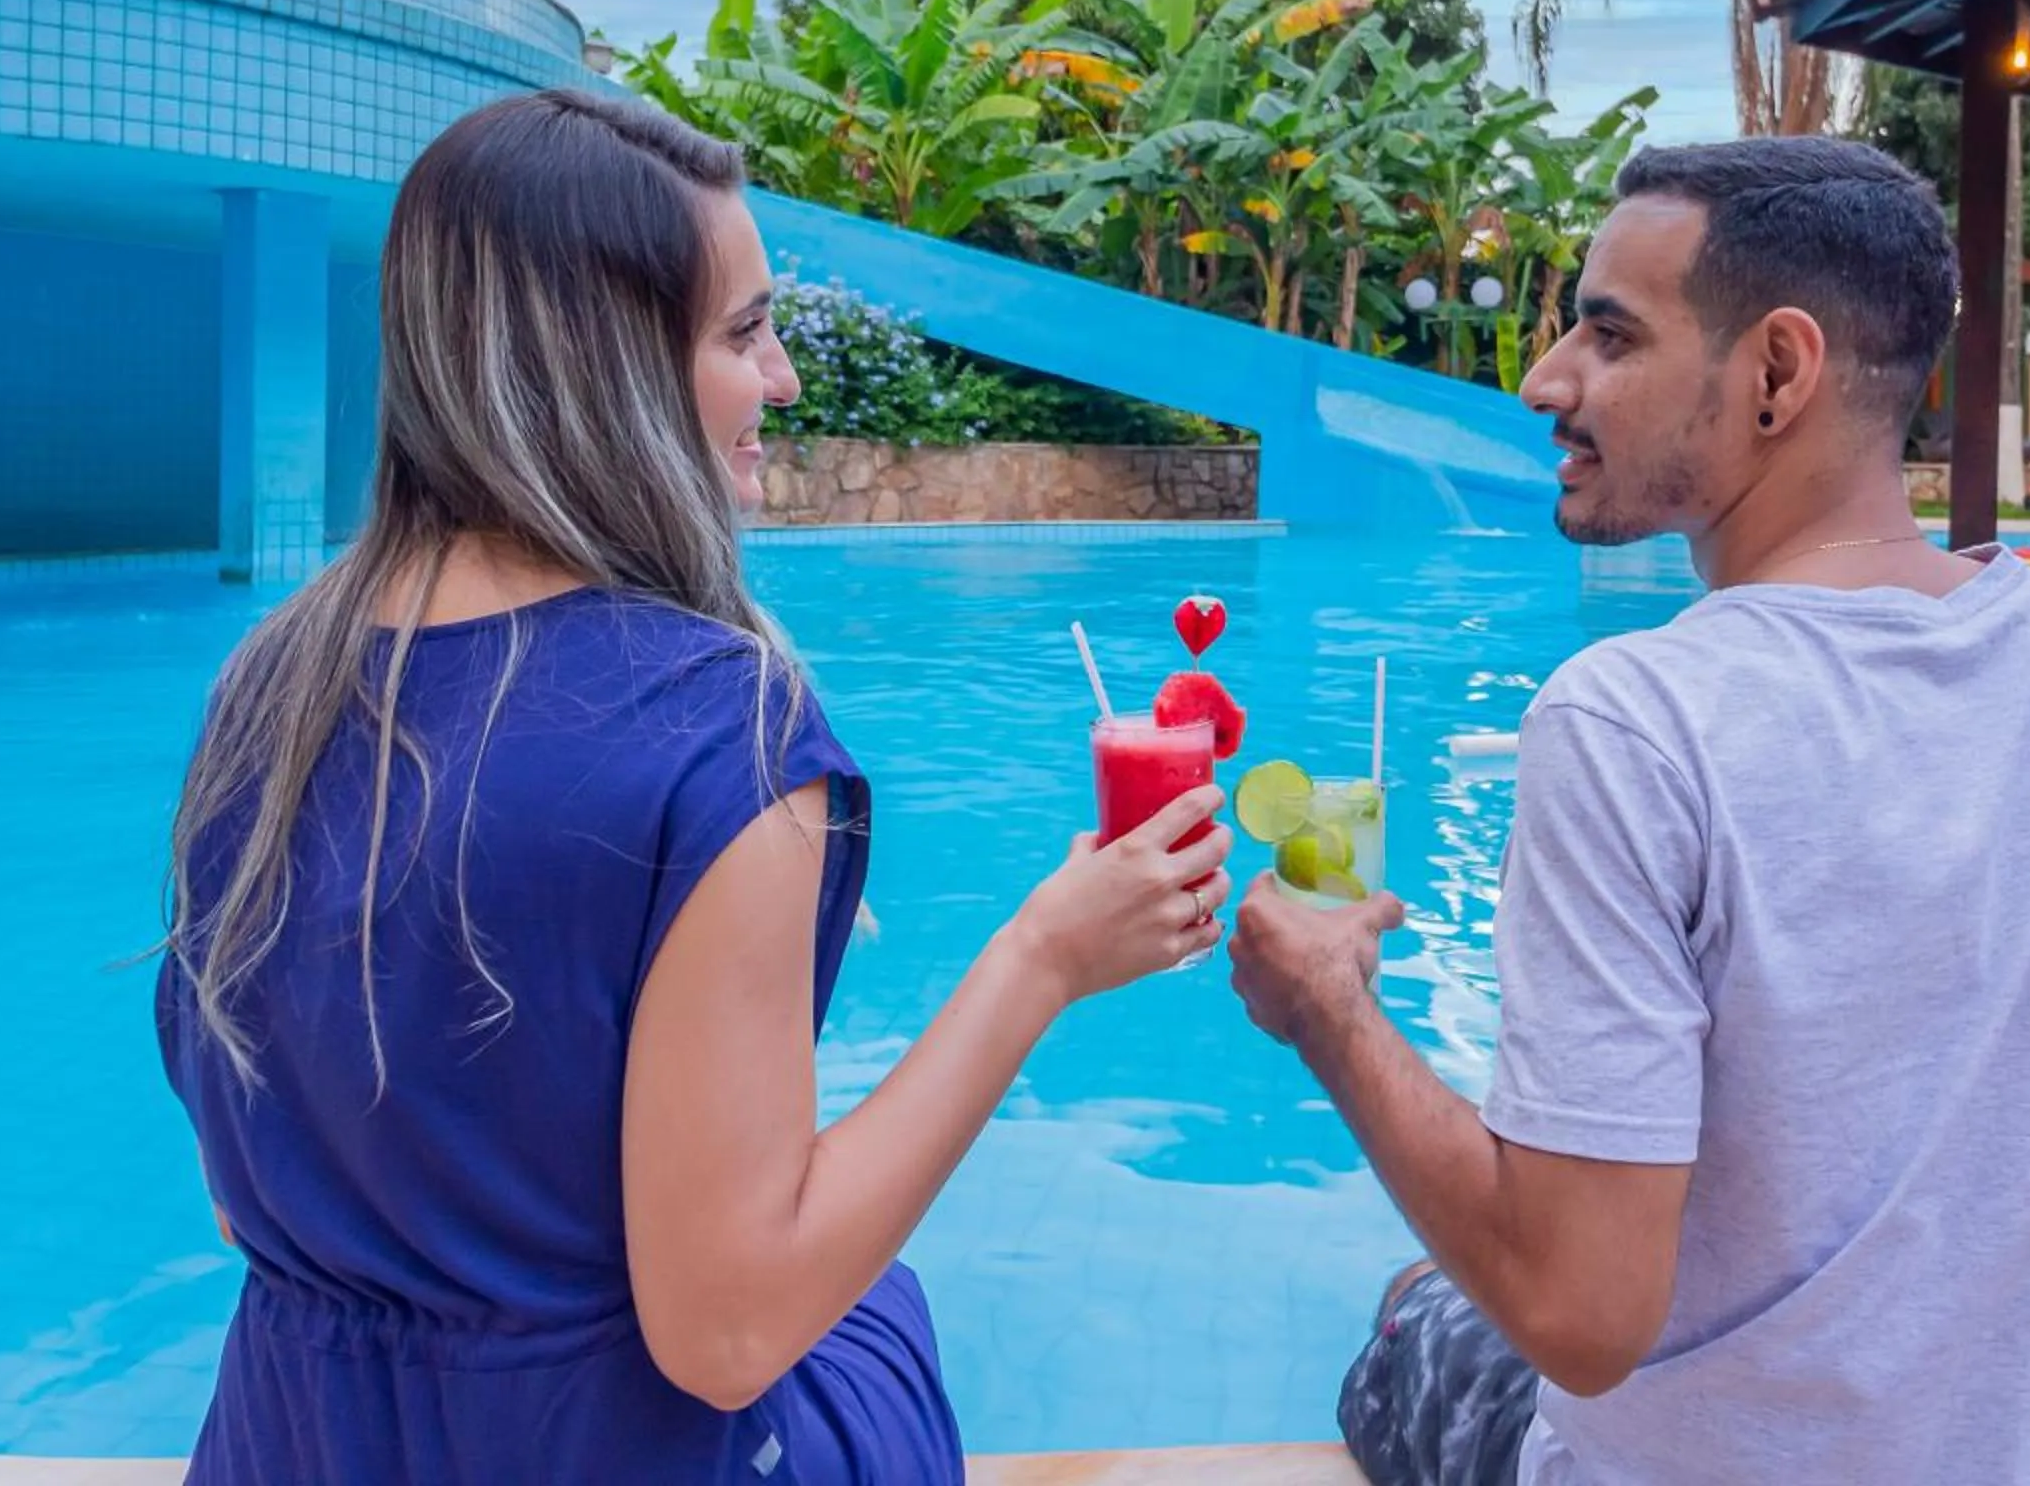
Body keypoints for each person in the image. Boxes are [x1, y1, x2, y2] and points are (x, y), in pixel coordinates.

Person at [156, 90, 1231, 1483]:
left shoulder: (268, 688)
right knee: (870, 1319)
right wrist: (1041, 958)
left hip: (292, 1444)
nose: (782, 379)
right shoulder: (718, 733)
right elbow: (724, 1334)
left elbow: (251, 1205)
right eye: (742, 333)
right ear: (600, 368)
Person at [1227, 137, 2030, 1486]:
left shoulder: (1639, 722)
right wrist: (1954, 1360)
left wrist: (1328, 1010)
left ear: (1778, 373)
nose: (1544, 379)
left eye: (1610, 335)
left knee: (1425, 1320)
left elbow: (1578, 1312)